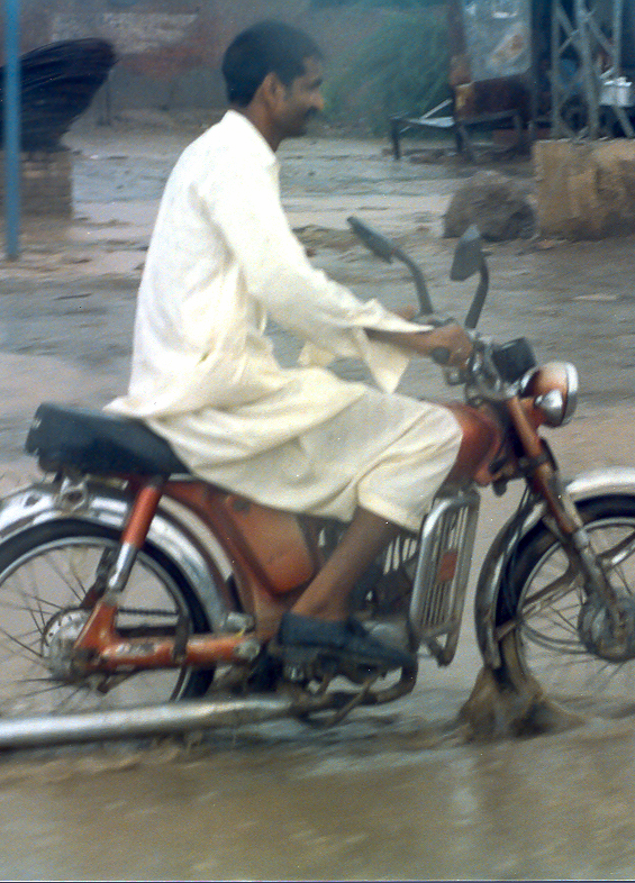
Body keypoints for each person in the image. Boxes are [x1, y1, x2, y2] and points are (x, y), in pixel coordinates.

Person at [106, 21, 472, 671]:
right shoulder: (239, 162)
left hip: (191, 376)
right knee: (433, 435)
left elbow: (279, 279)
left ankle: (285, 615)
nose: (321, 102)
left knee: (344, 415)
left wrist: (375, 317)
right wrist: (409, 338)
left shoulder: (215, 152)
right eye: (312, 87)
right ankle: (323, 608)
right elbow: (287, 287)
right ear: (272, 89)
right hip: (211, 389)